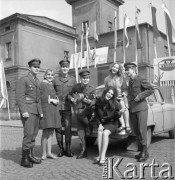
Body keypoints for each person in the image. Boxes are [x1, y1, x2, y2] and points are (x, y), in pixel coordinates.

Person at [124, 62, 154, 162]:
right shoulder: (130, 82)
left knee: (142, 130)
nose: (126, 72)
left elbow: (151, 89)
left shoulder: (140, 79)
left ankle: (144, 152)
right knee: (136, 131)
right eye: (125, 70)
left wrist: (140, 96)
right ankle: (143, 151)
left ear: (134, 70)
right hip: (132, 109)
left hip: (141, 108)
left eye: (128, 70)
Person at [16, 58, 43, 168]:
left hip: (35, 111)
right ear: (29, 68)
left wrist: (40, 111)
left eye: (38, 67)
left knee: (33, 134)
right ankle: (24, 159)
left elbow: (39, 98)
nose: (37, 68)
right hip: (28, 110)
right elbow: (19, 96)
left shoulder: (37, 81)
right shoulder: (24, 79)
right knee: (28, 134)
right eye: (34, 67)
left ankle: (30, 155)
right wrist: (24, 111)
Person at [68, 69, 96, 159]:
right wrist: (72, 99)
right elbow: (69, 94)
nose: (85, 80)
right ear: (80, 78)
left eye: (87, 78)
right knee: (80, 132)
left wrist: (89, 102)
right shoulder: (76, 87)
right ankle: (83, 151)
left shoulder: (92, 88)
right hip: (79, 112)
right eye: (84, 78)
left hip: (88, 111)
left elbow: (94, 100)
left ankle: (88, 125)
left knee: (78, 113)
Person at [93, 86, 121, 166]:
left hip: (112, 123)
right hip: (102, 123)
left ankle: (103, 157)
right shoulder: (98, 101)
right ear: (105, 92)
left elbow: (116, 116)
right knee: (99, 131)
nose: (109, 95)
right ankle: (99, 155)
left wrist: (118, 113)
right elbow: (96, 115)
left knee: (105, 133)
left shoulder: (115, 103)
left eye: (112, 94)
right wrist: (100, 125)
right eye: (109, 92)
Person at [53, 59, 76, 157]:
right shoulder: (55, 79)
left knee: (68, 127)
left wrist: (74, 99)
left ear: (69, 67)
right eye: (63, 67)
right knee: (58, 128)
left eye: (66, 67)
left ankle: (68, 149)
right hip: (57, 107)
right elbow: (52, 92)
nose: (64, 68)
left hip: (67, 107)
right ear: (60, 68)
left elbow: (75, 92)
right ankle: (60, 149)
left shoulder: (73, 79)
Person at [40, 69, 61, 160]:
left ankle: (49, 152)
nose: (50, 76)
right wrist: (52, 100)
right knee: (46, 132)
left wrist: (56, 100)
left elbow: (53, 96)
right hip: (46, 110)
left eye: (52, 75)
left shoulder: (51, 85)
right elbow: (41, 98)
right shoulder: (43, 84)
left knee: (51, 132)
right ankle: (44, 153)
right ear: (45, 75)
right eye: (48, 74)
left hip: (53, 110)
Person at [104, 62, 130, 133]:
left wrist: (124, 94)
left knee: (123, 107)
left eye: (116, 68)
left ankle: (127, 125)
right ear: (111, 67)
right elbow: (106, 90)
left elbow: (125, 88)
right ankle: (123, 125)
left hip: (120, 97)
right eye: (114, 67)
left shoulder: (121, 78)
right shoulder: (106, 79)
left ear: (118, 70)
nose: (114, 69)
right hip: (112, 99)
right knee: (116, 109)